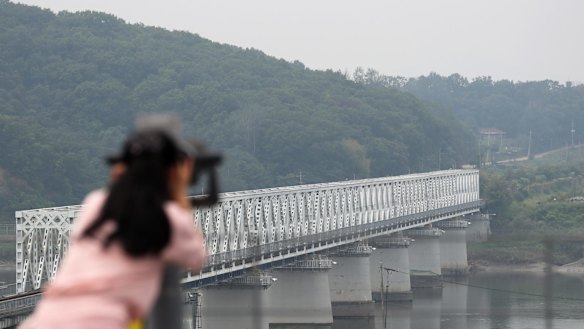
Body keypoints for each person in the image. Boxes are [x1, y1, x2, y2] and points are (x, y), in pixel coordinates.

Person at [20, 127, 207, 329]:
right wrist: (179, 194)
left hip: (44, 320)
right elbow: (196, 259)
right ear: (173, 172)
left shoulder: (95, 203)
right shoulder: (171, 218)